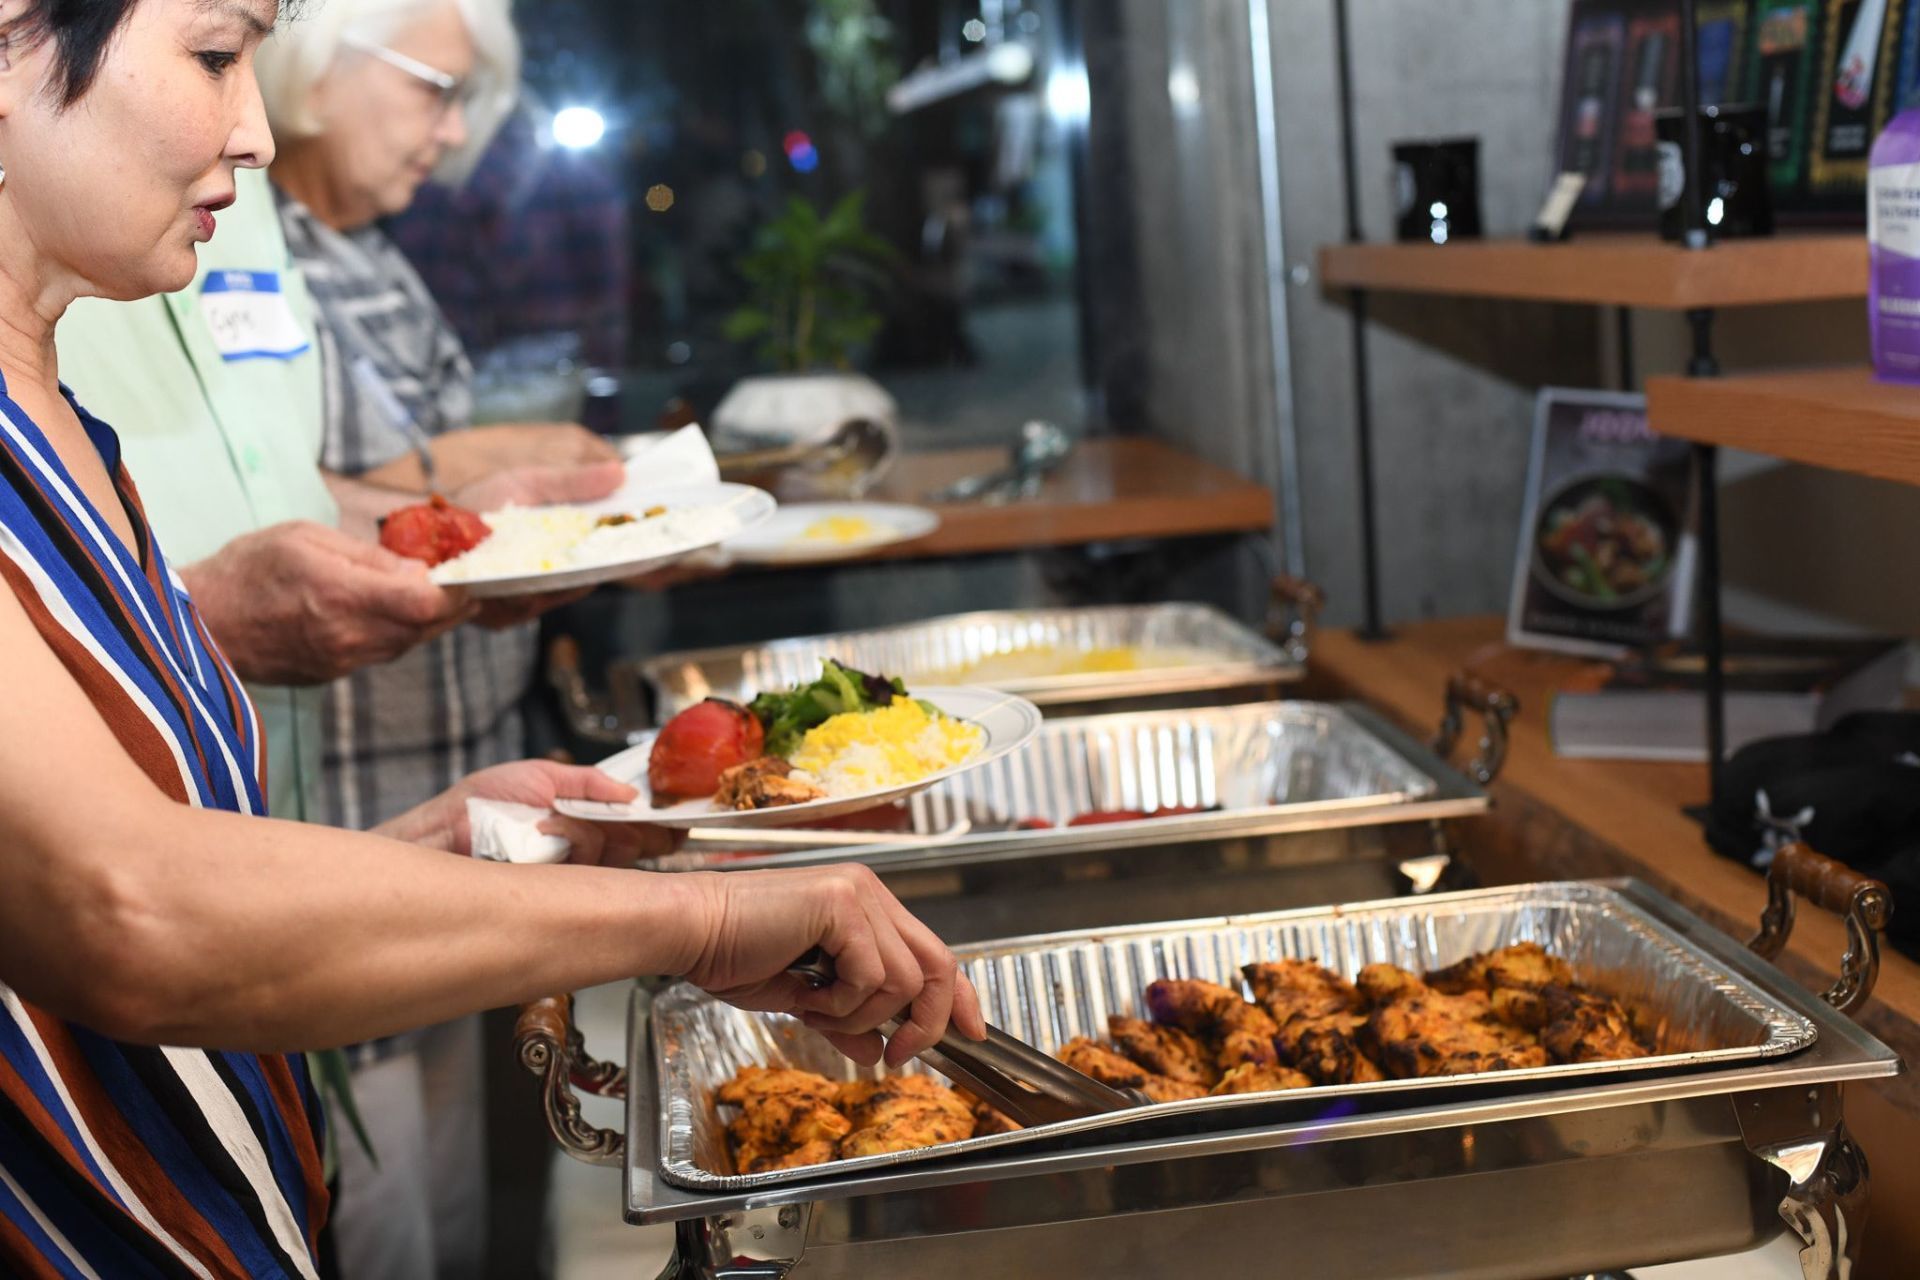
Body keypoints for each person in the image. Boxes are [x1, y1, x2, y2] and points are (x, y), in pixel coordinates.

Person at [0, 3, 982, 1275]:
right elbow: (125, 906)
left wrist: (443, 856)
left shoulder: (65, 421)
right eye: (213, 54)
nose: (252, 126)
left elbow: (111, 881)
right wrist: (698, 923)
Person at [253, 7, 621, 1270]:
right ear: (313, 61)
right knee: (374, 1220)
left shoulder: (372, 250)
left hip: (442, 787)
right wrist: (461, 468)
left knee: (452, 1222)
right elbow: (270, 494)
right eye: (433, 91)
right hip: (332, 806)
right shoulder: (234, 251)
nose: (453, 132)